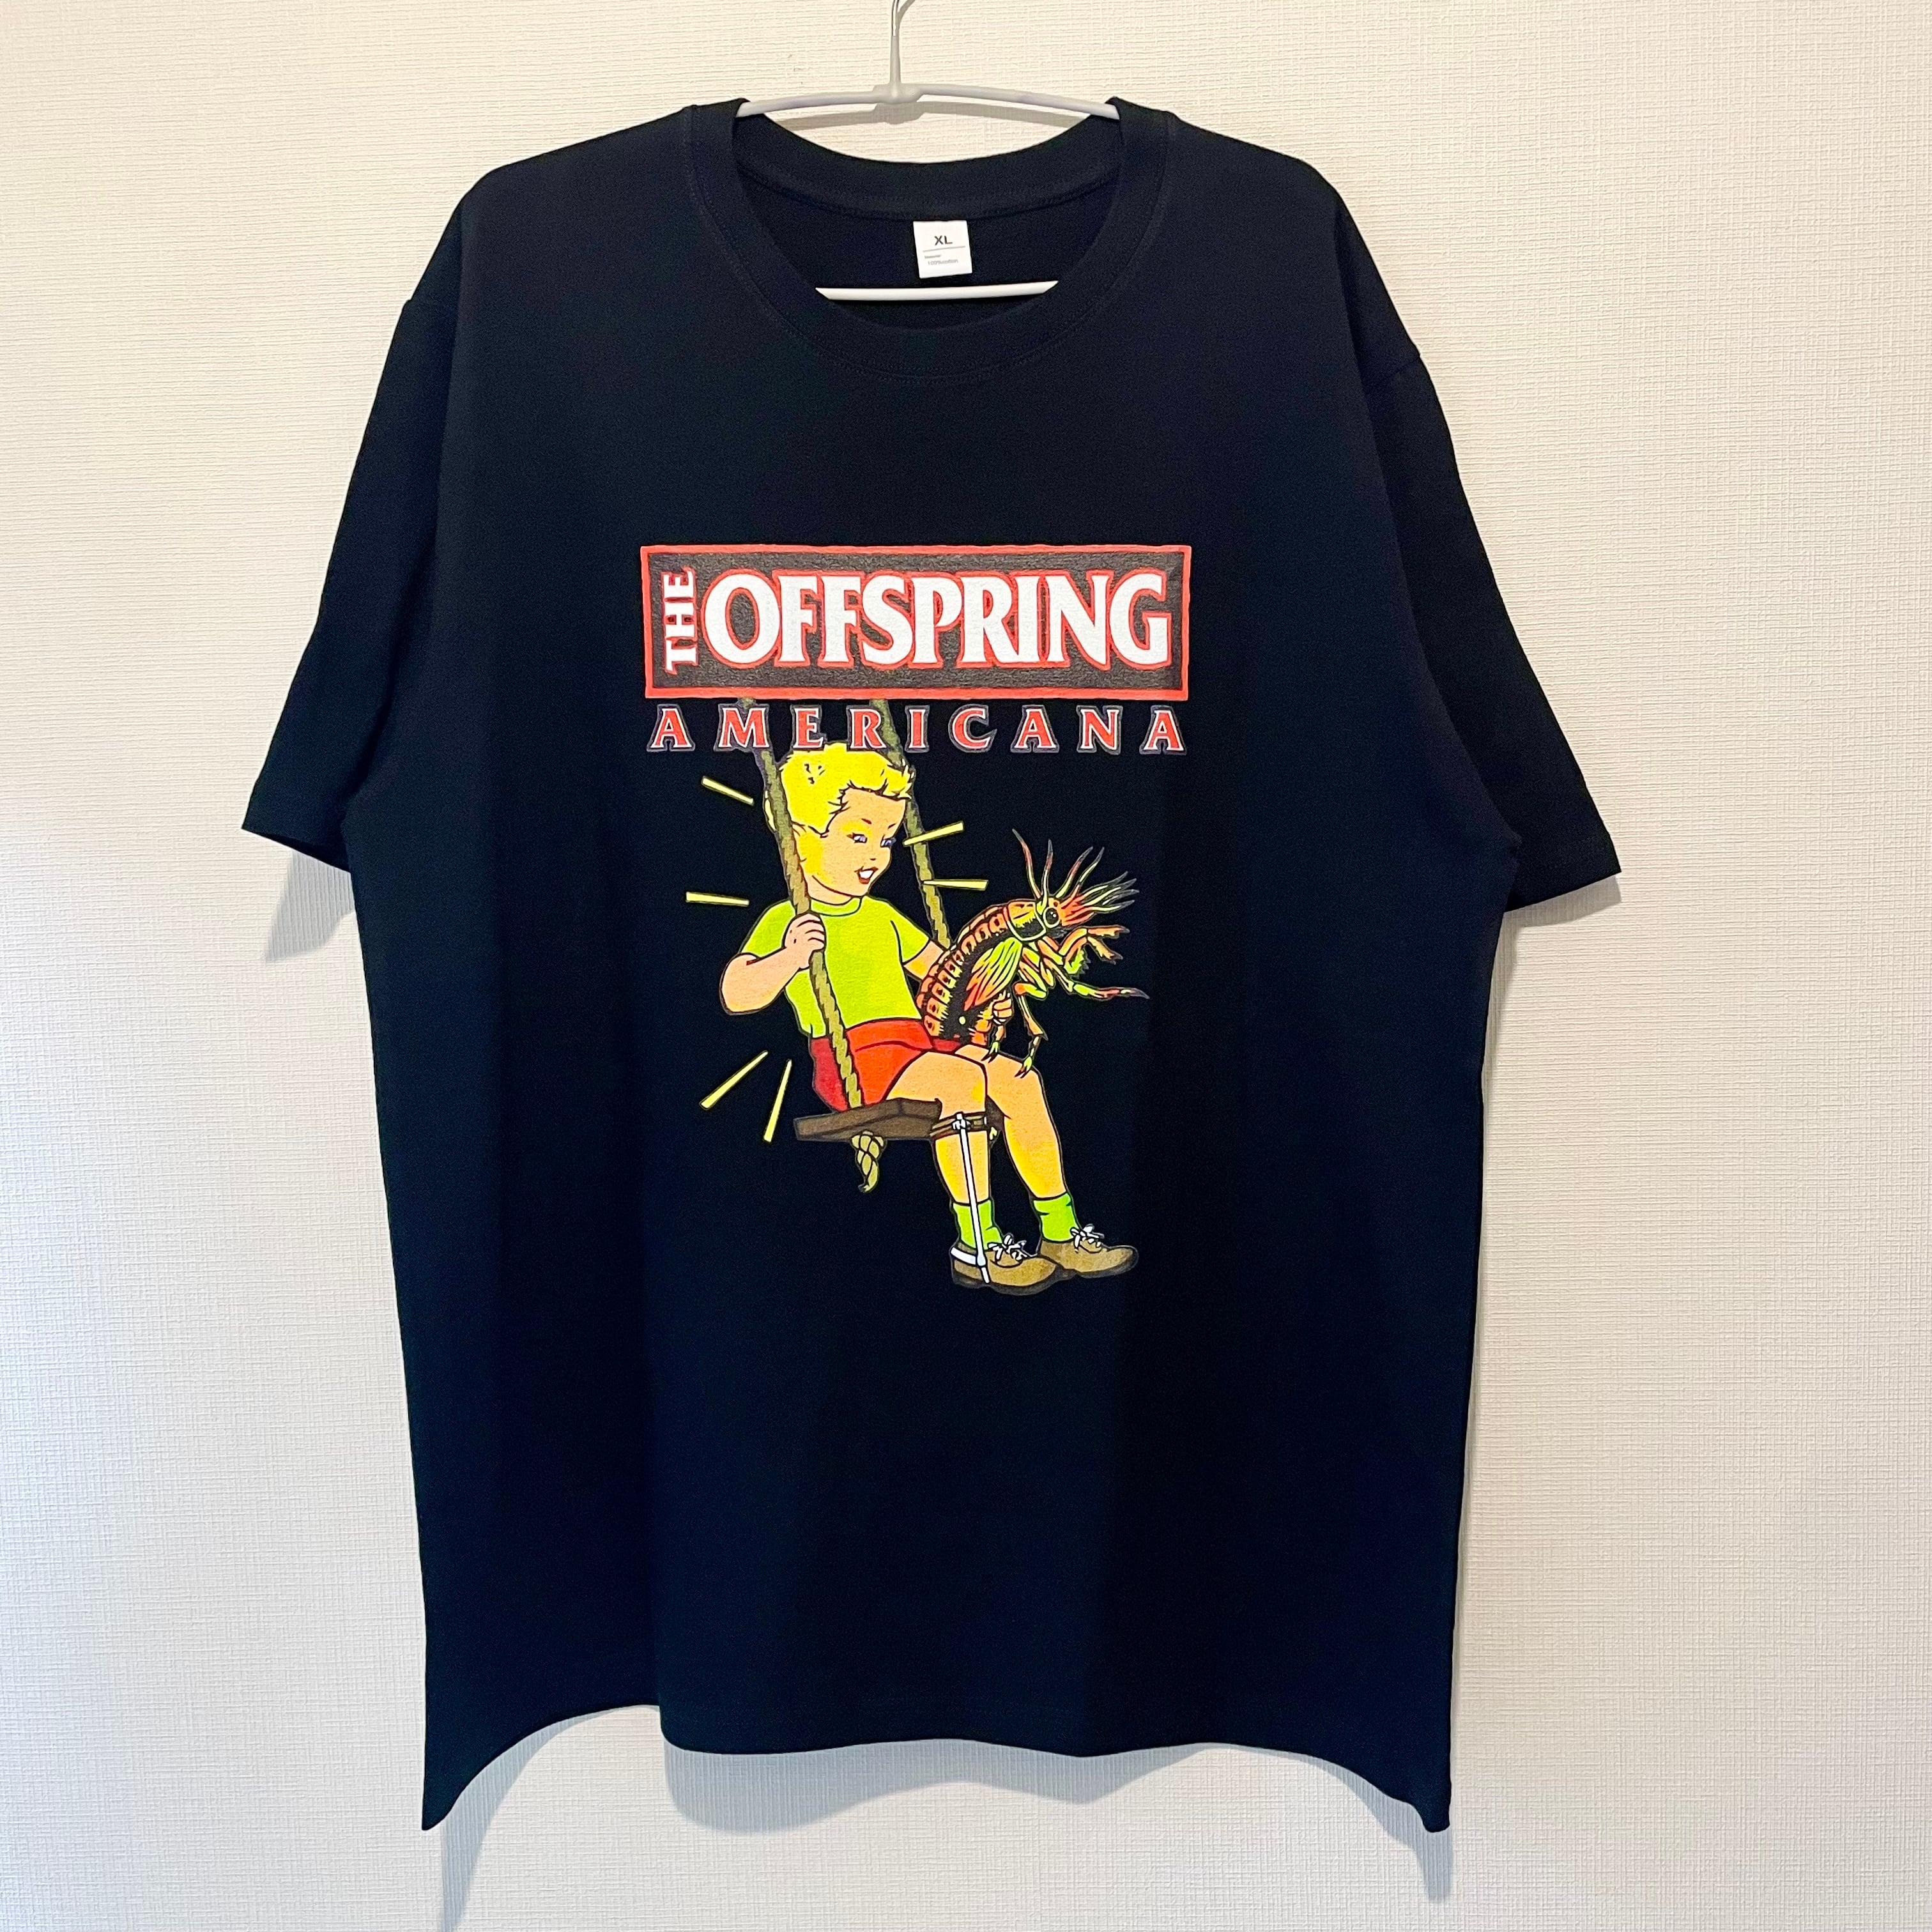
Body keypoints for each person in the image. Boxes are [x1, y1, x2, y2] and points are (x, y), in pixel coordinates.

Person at [720, 742, 1136, 1296]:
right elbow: (737, 993)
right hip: (856, 1062)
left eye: (886, 840)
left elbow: (947, 971)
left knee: (1020, 1079)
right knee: (959, 1081)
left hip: (919, 1046)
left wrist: (991, 991)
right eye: (858, 837)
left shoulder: (883, 917)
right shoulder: (789, 920)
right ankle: (978, 1246)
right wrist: (788, 958)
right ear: (799, 840)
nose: (876, 856)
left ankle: (1060, 1232)